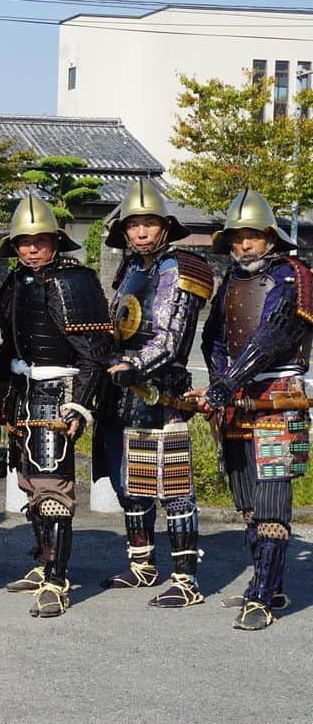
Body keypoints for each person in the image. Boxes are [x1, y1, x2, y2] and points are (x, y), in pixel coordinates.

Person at [189, 188, 312, 631]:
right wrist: (222, 380)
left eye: (253, 236)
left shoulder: (294, 275)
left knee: (273, 501)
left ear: (271, 237)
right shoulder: (232, 281)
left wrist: (225, 384)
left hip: (278, 396)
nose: (244, 245)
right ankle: (268, 581)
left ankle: (262, 594)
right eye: (238, 237)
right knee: (247, 503)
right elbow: (215, 338)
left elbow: (274, 336)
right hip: (238, 400)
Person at [94, 180, 213, 608]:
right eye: (134, 225)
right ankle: (142, 564)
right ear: (124, 231)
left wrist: (134, 365)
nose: (141, 232)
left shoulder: (184, 266)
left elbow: (172, 336)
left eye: (148, 224)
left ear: (165, 225)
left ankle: (186, 579)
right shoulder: (129, 269)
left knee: (175, 486)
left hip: (163, 389)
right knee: (134, 483)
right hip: (125, 391)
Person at [0, 194, 112, 618]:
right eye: (23, 242)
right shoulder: (16, 281)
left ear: (55, 240)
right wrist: (3, 396)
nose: (30, 248)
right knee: (30, 483)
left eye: (39, 240)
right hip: (24, 393)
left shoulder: (75, 280)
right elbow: (6, 342)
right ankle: (43, 563)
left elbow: (94, 352)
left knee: (54, 489)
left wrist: (79, 406)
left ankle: (59, 580)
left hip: (57, 393)